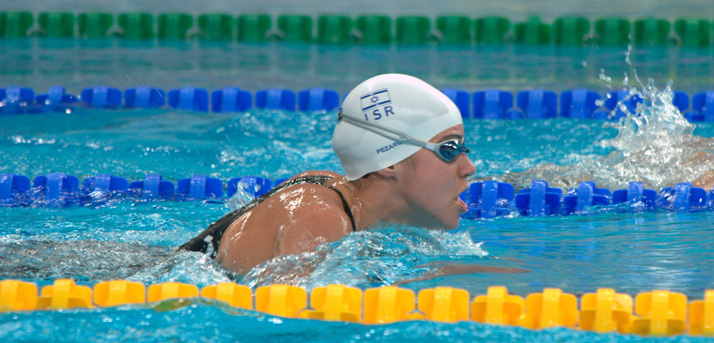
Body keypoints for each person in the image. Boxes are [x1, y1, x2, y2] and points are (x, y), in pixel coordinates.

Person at [180, 74, 525, 277]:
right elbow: (287, 325)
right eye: (449, 149)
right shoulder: (316, 218)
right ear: (389, 161)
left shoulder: (338, 198)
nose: (469, 167)